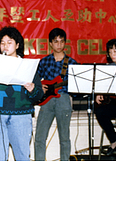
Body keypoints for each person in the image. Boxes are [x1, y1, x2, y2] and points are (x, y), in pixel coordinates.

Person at [0, 26, 44, 161]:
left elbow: (39, 95)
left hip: (21, 115)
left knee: (22, 156)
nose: (5, 46)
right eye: (2, 43)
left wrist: (32, 89)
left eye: (9, 42)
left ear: (17, 45)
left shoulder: (26, 66)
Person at [34, 28, 77, 161]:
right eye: (55, 42)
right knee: (40, 137)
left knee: (64, 137)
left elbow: (76, 87)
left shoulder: (72, 63)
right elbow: (34, 78)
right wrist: (39, 84)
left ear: (65, 43)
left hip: (64, 99)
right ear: (50, 44)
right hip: (46, 101)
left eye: (61, 41)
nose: (59, 44)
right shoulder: (44, 61)